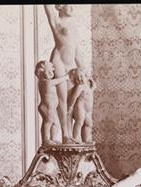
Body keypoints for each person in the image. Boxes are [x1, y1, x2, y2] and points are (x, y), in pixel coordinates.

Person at [44, 4, 84, 143]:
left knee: (70, 103)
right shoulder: (57, 22)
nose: (72, 7)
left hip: (71, 66)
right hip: (59, 62)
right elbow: (48, 10)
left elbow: (77, 53)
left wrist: (84, 70)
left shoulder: (73, 26)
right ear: (60, 6)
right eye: (69, 4)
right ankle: (65, 135)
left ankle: (70, 135)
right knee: (62, 101)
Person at [35, 60, 69, 144]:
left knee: (55, 124)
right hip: (46, 107)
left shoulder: (48, 81)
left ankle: (53, 139)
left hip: (51, 107)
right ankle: (46, 139)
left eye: (52, 71)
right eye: (48, 72)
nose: (51, 73)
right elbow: (56, 81)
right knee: (48, 122)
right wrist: (65, 77)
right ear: (41, 73)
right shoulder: (45, 82)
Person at [67, 68, 95, 143]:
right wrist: (70, 106)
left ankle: (87, 139)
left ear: (85, 76)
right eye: (77, 78)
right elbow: (74, 97)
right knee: (79, 122)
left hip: (88, 110)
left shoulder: (88, 86)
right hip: (80, 107)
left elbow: (92, 89)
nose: (80, 79)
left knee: (88, 124)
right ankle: (76, 138)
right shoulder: (79, 87)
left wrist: (91, 81)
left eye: (81, 76)